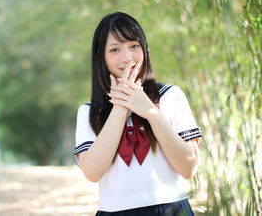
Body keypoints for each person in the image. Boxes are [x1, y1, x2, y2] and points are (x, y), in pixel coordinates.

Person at [74, 12, 202, 215]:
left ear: (145, 48)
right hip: (115, 211)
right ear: (101, 56)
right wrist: (121, 107)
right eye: (115, 49)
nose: (127, 57)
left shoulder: (170, 96)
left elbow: (188, 169)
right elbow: (92, 172)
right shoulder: (89, 112)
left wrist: (150, 111)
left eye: (134, 46)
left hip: (172, 207)